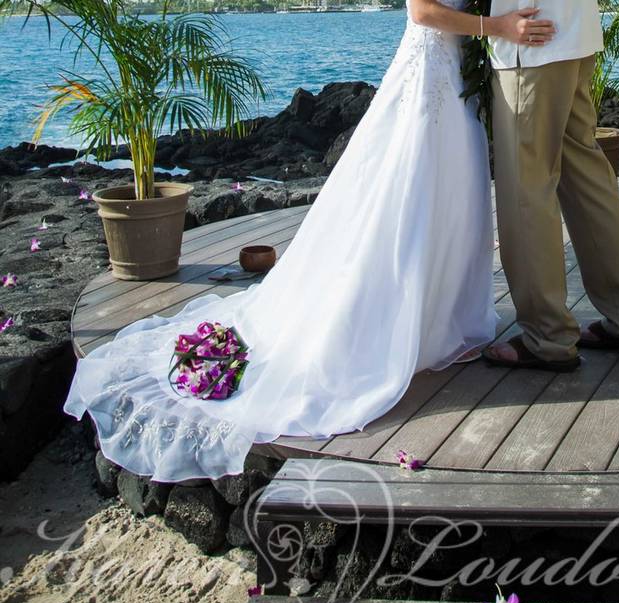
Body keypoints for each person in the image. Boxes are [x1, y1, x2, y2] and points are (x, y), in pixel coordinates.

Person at [63, 0, 558, 482]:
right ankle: (400, 325)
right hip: (430, 74)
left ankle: (440, 323)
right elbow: (421, 11)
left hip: (457, 78)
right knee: (411, 196)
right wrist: (496, 26)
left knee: (455, 193)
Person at [480, 0, 619, 373]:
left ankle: (547, 337)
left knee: (525, 190)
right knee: (588, 180)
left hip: (530, 37)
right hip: (575, 33)